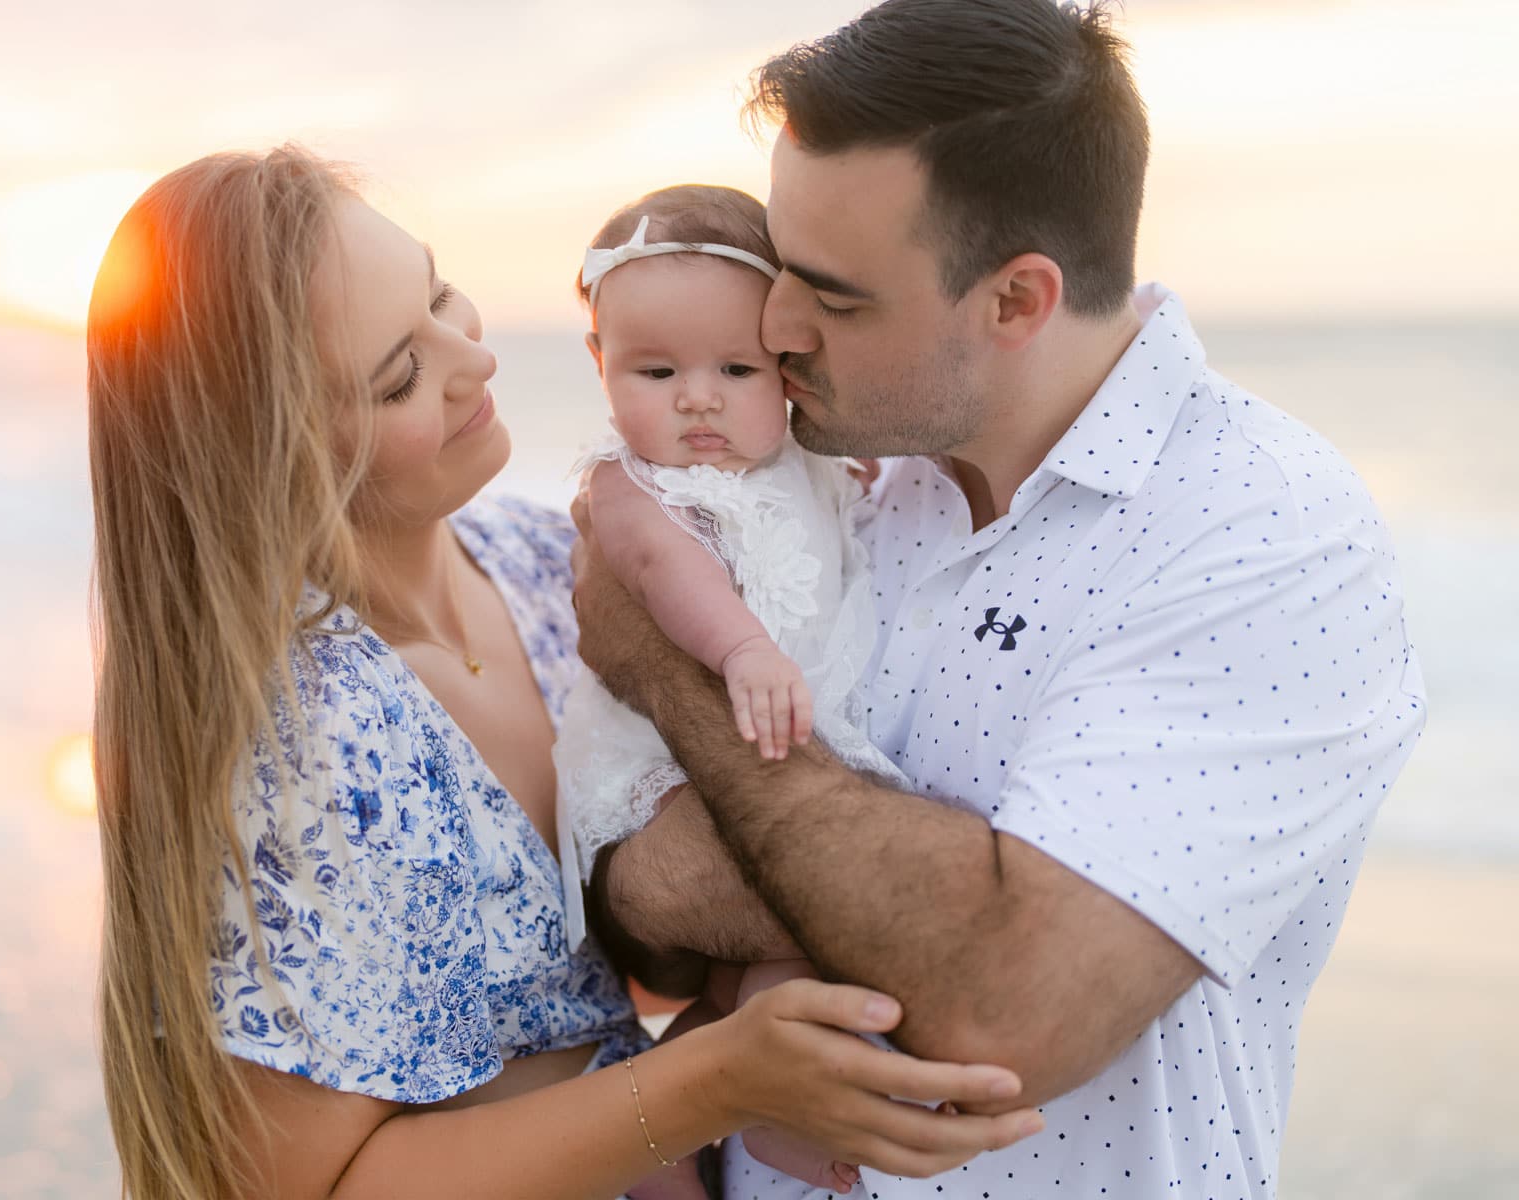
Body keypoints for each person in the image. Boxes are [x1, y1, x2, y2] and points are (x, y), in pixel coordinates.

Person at [575, 3, 1428, 1198]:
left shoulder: (1260, 531)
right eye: (780, 270)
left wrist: (664, 669)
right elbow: (632, 912)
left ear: (1018, 299)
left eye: (836, 295)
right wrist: (859, 889)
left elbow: (1008, 1007)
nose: (773, 329)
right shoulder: (845, 475)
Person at [85, 145, 1046, 1200]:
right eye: (404, 371)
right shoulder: (303, 742)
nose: (474, 361)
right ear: (277, 454)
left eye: (443, 293)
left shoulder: (550, 569)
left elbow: (627, 956)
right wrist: (716, 1078)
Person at [553, 184, 907, 1195]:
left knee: (764, 969)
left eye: (737, 369)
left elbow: (839, 508)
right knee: (792, 907)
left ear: (788, 367)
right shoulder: (630, 487)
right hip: (661, 772)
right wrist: (742, 649)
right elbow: (672, 575)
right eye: (655, 371)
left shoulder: (798, 457)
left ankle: (675, 1101)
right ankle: (753, 1109)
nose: (698, 399)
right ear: (600, 365)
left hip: (771, 738)